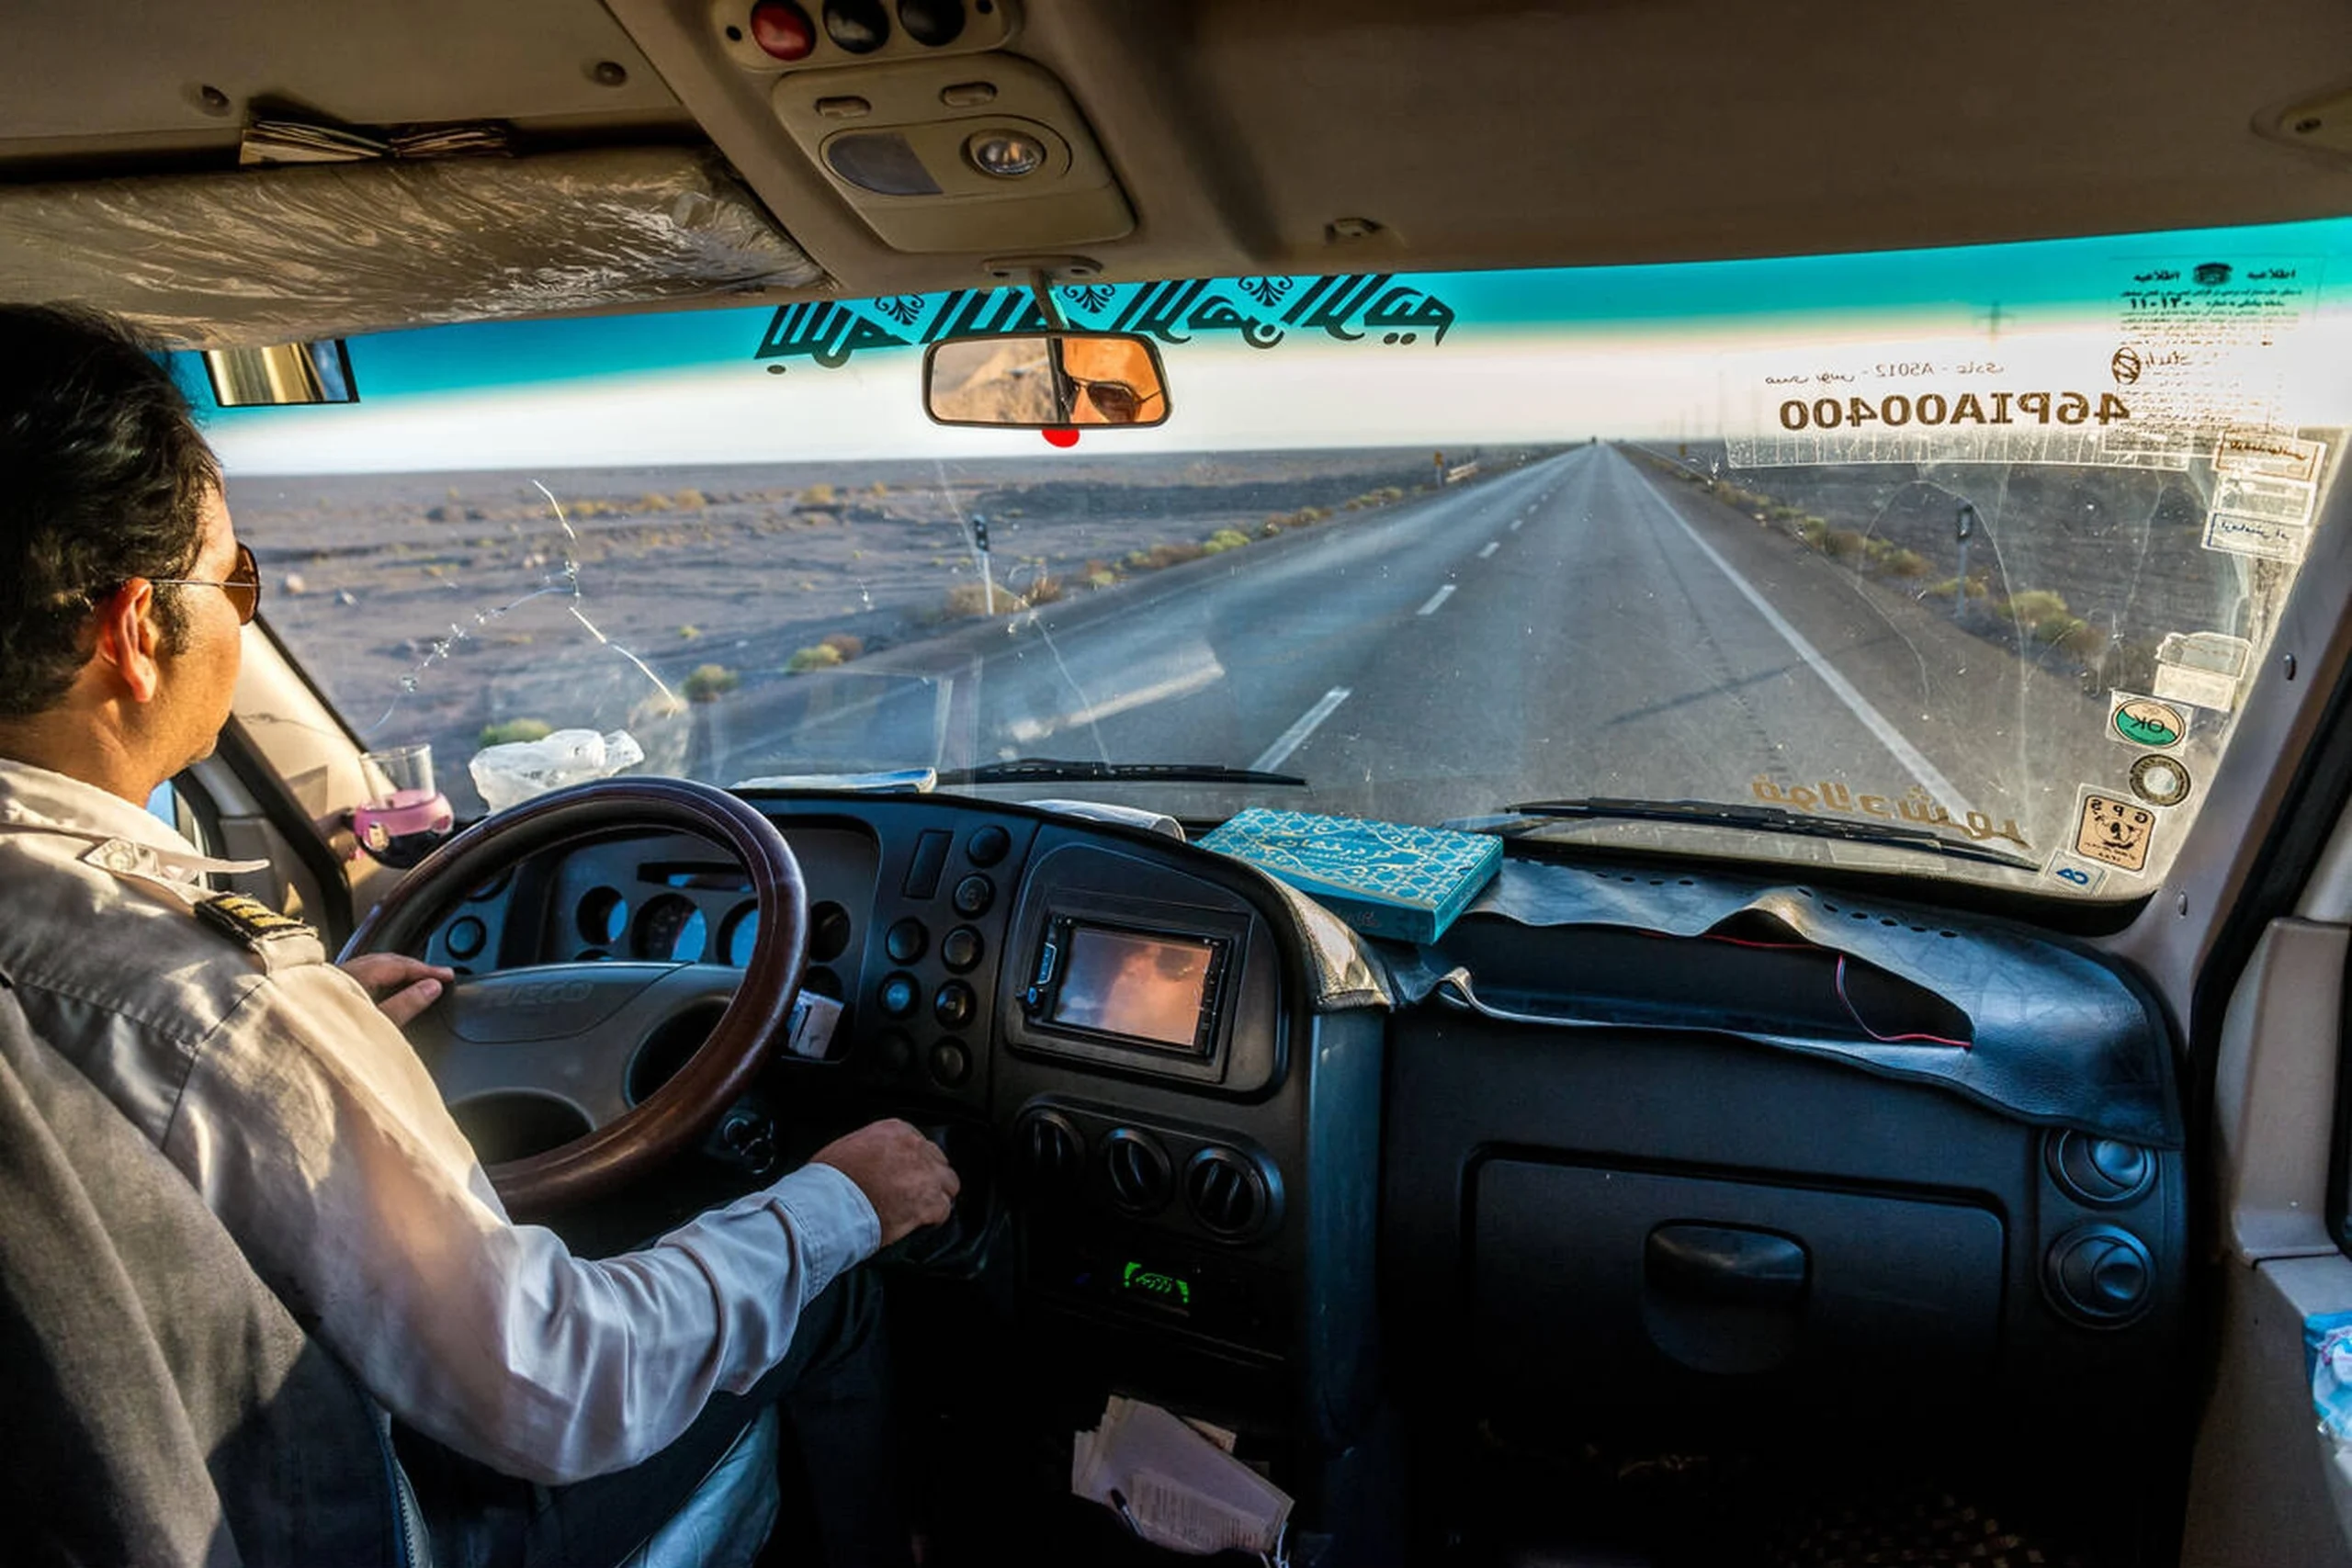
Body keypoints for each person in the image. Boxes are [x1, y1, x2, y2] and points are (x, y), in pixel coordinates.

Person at [0, 303, 960, 1565]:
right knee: (822, 1292)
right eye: (237, 581)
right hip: (353, 1529)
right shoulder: (213, 1006)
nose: (243, 613)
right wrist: (840, 1197)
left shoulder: (177, 1008)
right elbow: (556, 1382)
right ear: (134, 631)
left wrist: (323, 1017)